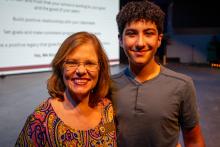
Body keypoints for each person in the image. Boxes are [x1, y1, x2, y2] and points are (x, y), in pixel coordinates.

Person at [110, 1, 205, 147]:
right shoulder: (108, 85)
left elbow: (194, 141)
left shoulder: (182, 85)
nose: (140, 43)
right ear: (120, 40)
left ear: (159, 39)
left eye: (148, 33)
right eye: (131, 33)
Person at [15, 32, 117, 146]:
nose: (81, 71)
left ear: (100, 68)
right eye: (72, 63)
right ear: (60, 67)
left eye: (89, 63)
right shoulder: (41, 119)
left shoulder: (107, 108)